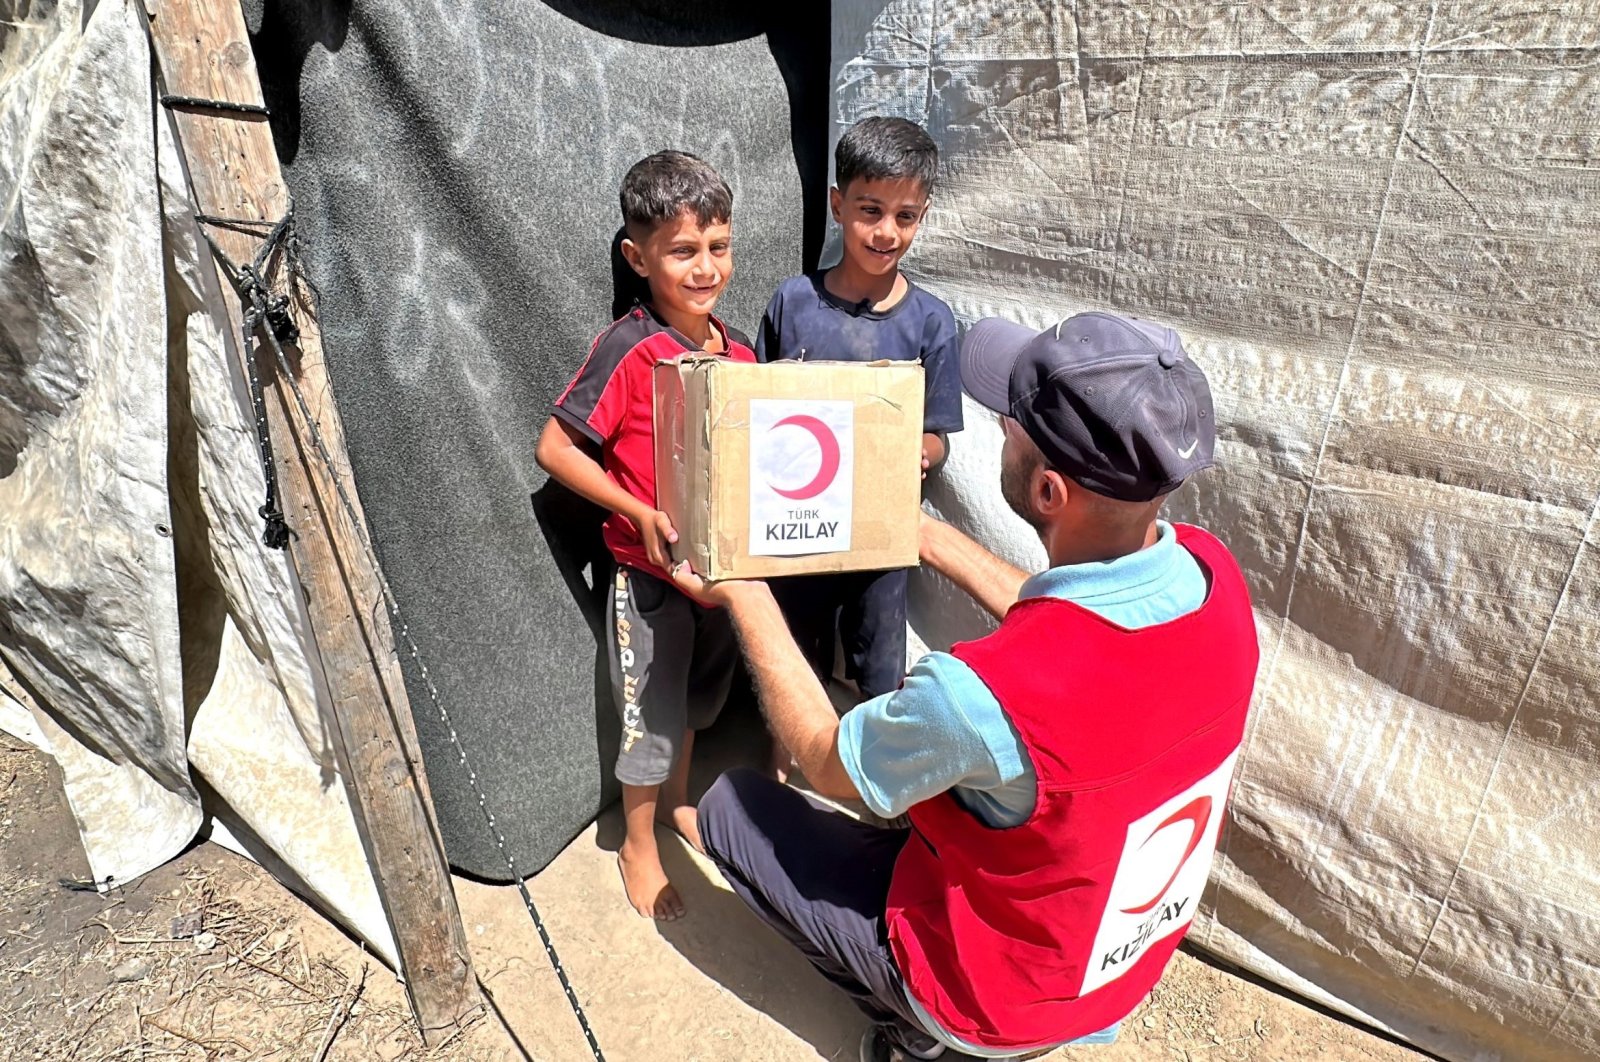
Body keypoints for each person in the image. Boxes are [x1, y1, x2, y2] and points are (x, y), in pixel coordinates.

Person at [673, 311, 1262, 1060]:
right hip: (1114, 967)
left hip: (994, 997)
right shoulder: (1216, 580)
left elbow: (825, 759)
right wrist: (925, 534)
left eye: (1010, 425)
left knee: (733, 807)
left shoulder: (981, 694)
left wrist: (745, 591)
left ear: (1048, 490)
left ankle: (921, 1029)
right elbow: (1074, 627)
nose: (1000, 430)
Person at [535, 151, 753, 922]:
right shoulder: (629, 348)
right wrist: (637, 511)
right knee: (651, 714)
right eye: (682, 250)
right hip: (651, 577)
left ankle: (678, 805)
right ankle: (636, 839)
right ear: (638, 257)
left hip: (723, 580)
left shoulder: (742, 353)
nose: (704, 267)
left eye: (717, 246)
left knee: (699, 700)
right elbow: (555, 450)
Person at [755, 117, 964, 771]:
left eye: (905, 216)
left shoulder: (932, 321)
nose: (886, 232)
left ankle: (876, 776)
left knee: (880, 656)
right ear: (837, 203)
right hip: (797, 525)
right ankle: (784, 763)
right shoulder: (793, 302)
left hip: (880, 530)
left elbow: (939, 435)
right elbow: (759, 412)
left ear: (922, 217)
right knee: (793, 645)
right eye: (871, 210)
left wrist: (917, 453)